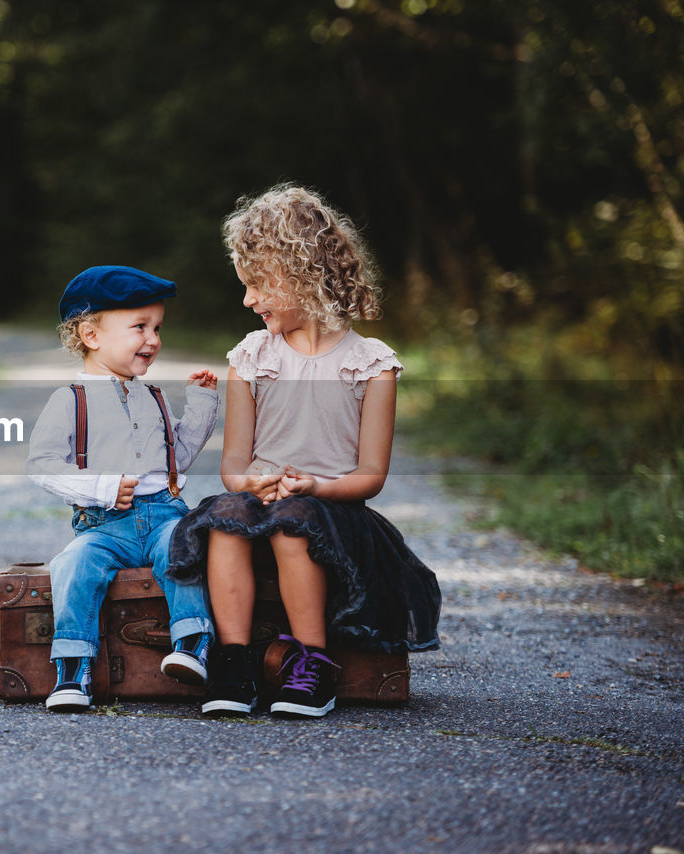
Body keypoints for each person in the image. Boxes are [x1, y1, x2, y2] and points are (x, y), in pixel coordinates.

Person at [167, 185, 441, 719]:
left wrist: (315, 486)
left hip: (335, 509)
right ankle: (234, 661)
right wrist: (251, 482)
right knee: (224, 517)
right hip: (264, 501)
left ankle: (312, 663)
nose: (247, 300)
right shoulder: (251, 357)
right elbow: (232, 467)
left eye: (257, 284)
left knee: (296, 520)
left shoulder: (370, 364)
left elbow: (371, 474)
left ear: (303, 275)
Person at [27, 265, 220, 712]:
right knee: (72, 565)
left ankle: (192, 645)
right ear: (90, 334)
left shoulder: (154, 396)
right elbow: (41, 465)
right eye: (139, 327)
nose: (152, 339)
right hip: (102, 527)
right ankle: (72, 672)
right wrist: (100, 487)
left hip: (164, 514)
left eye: (157, 329)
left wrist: (204, 404)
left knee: (183, 545)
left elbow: (178, 457)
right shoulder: (69, 400)